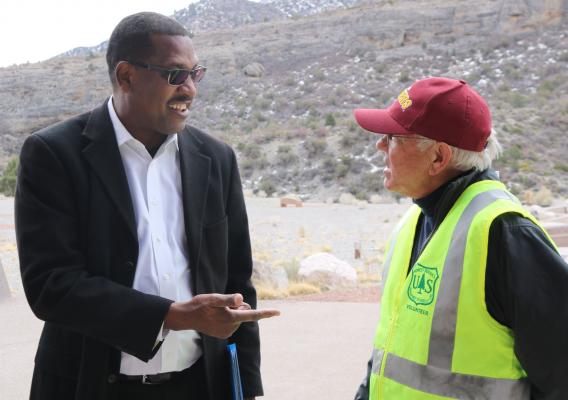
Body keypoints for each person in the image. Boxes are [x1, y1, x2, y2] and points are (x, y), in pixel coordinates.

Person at [15, 12, 279, 400]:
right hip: (91, 386)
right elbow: (51, 285)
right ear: (126, 76)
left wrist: (246, 388)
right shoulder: (54, 154)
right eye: (175, 75)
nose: (189, 89)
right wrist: (171, 316)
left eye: (195, 74)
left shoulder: (216, 159)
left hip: (200, 386)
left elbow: (237, 284)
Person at [352, 77, 568, 399]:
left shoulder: (504, 233)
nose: (380, 146)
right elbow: (388, 353)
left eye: (393, 137)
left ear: (438, 158)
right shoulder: (414, 221)